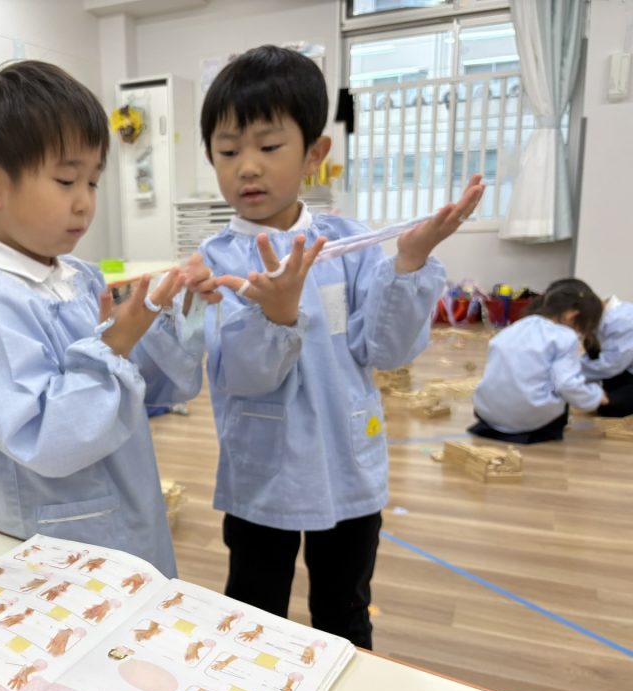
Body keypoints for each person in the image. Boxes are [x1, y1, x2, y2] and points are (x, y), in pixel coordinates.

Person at [197, 45, 484, 648]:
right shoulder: (216, 262)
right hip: (263, 476)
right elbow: (241, 377)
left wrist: (409, 262)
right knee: (253, 613)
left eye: (268, 147)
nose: (247, 167)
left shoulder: (349, 245)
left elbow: (387, 350)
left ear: (314, 154)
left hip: (347, 466)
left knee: (345, 611)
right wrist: (275, 316)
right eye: (228, 151)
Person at [0, 60, 218, 577]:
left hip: (123, 517)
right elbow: (44, 437)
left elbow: (147, 390)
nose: (85, 203)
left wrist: (176, 313)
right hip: (45, 549)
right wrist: (115, 346)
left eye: (92, 182)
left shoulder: (81, 279)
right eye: (66, 179)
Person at [471, 278, 607, 443]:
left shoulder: (517, 326)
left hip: (487, 411)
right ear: (572, 317)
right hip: (526, 417)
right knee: (562, 395)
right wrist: (594, 396)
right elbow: (567, 384)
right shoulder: (565, 336)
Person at [581, 291, 633, 418]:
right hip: (621, 371)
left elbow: (611, 365)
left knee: (609, 407)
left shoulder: (624, 319)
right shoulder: (605, 317)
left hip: (624, 370)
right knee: (591, 343)